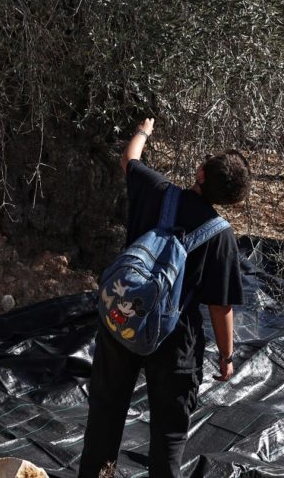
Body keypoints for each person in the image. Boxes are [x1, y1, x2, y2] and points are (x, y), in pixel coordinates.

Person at [79, 118, 249, 478]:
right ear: (231, 200)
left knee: (104, 419)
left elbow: (129, 160)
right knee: (168, 438)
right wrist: (226, 356)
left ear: (200, 172)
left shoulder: (156, 191)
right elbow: (220, 307)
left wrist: (143, 131)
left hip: (123, 320)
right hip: (176, 344)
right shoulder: (221, 236)